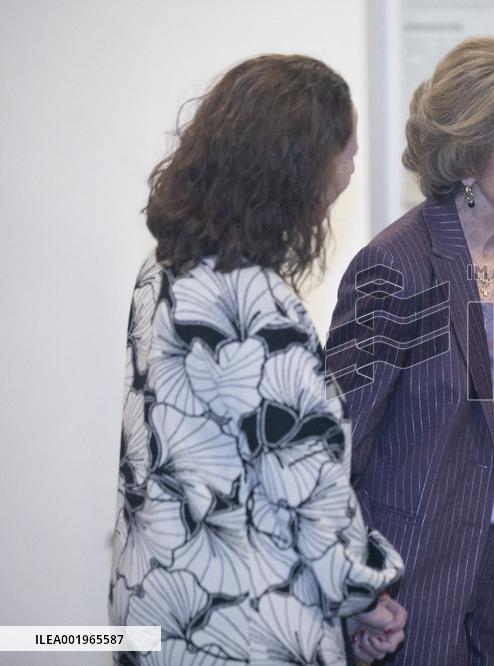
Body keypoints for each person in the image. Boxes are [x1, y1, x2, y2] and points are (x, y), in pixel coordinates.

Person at [109, 54, 408, 665]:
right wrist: (369, 593)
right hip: (243, 628)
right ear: (295, 168)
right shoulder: (256, 305)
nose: (352, 170)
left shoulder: (163, 268)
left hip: (153, 609)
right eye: (347, 152)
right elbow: (307, 487)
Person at [325, 37, 494, 665]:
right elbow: (334, 450)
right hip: (411, 577)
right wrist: (358, 586)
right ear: (467, 161)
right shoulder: (394, 266)